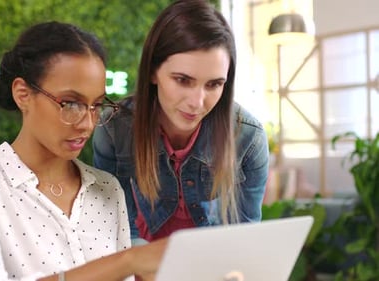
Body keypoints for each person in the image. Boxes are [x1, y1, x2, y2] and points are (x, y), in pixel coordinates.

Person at [0, 21, 167, 281]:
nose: (87, 123)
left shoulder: (108, 188)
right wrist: (126, 262)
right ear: (23, 94)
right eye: (71, 103)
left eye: (96, 106)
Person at [93, 0, 269, 246]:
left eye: (214, 84)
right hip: (139, 261)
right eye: (183, 80)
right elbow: (118, 229)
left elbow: (245, 236)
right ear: (154, 71)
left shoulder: (248, 138)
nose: (197, 102)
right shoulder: (114, 129)